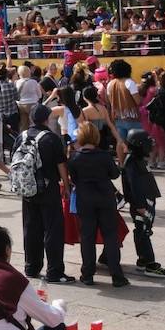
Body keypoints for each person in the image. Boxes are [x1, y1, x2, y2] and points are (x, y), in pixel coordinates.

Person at [66, 122, 127, 287]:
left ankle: (87, 274)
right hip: (105, 198)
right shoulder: (104, 155)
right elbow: (114, 174)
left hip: (84, 199)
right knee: (110, 236)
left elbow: (73, 179)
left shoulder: (75, 157)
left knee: (87, 237)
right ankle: (117, 275)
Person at [18, 105, 74, 284]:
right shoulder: (51, 138)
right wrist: (66, 186)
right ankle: (54, 271)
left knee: (31, 227)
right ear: (47, 118)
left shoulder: (22, 136)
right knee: (53, 229)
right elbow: (61, 165)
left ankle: (31, 267)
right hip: (48, 189)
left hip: (28, 189)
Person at [121, 130, 165, 278]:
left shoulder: (138, 160)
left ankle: (143, 261)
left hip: (146, 202)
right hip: (141, 205)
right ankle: (149, 264)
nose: (151, 145)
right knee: (143, 232)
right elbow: (134, 186)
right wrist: (140, 205)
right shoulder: (131, 162)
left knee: (144, 230)